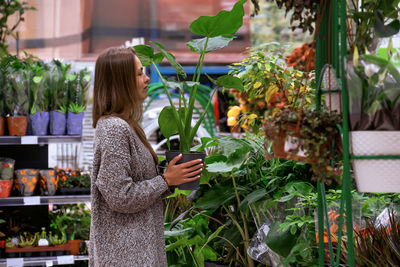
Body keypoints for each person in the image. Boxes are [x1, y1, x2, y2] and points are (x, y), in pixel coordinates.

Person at [90, 47, 203, 266]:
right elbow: (120, 196)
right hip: (125, 256)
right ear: (121, 81)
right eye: (139, 73)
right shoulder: (114, 128)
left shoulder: (128, 126)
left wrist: (170, 173)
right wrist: (166, 180)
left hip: (137, 252)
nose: (147, 78)